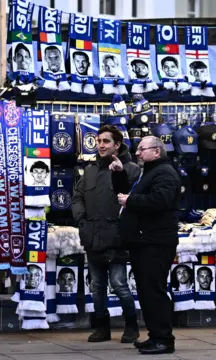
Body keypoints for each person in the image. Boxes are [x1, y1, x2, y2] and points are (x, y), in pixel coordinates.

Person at [111, 135, 181, 355]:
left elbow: (160, 201)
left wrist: (130, 201)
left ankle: (164, 340)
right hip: (144, 242)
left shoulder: (166, 173)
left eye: (142, 149)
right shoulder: (151, 172)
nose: (138, 153)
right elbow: (134, 195)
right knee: (146, 292)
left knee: (154, 291)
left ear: (157, 151)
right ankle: (155, 336)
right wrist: (119, 175)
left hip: (156, 243)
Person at [71, 125, 141, 343]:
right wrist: (82, 221)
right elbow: (77, 197)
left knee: (119, 283)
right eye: (99, 141)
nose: (101, 145)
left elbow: (136, 203)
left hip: (117, 237)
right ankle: (102, 327)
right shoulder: (90, 171)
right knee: (97, 286)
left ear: (117, 145)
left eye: (106, 141)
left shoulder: (131, 169)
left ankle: (132, 325)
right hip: (92, 236)